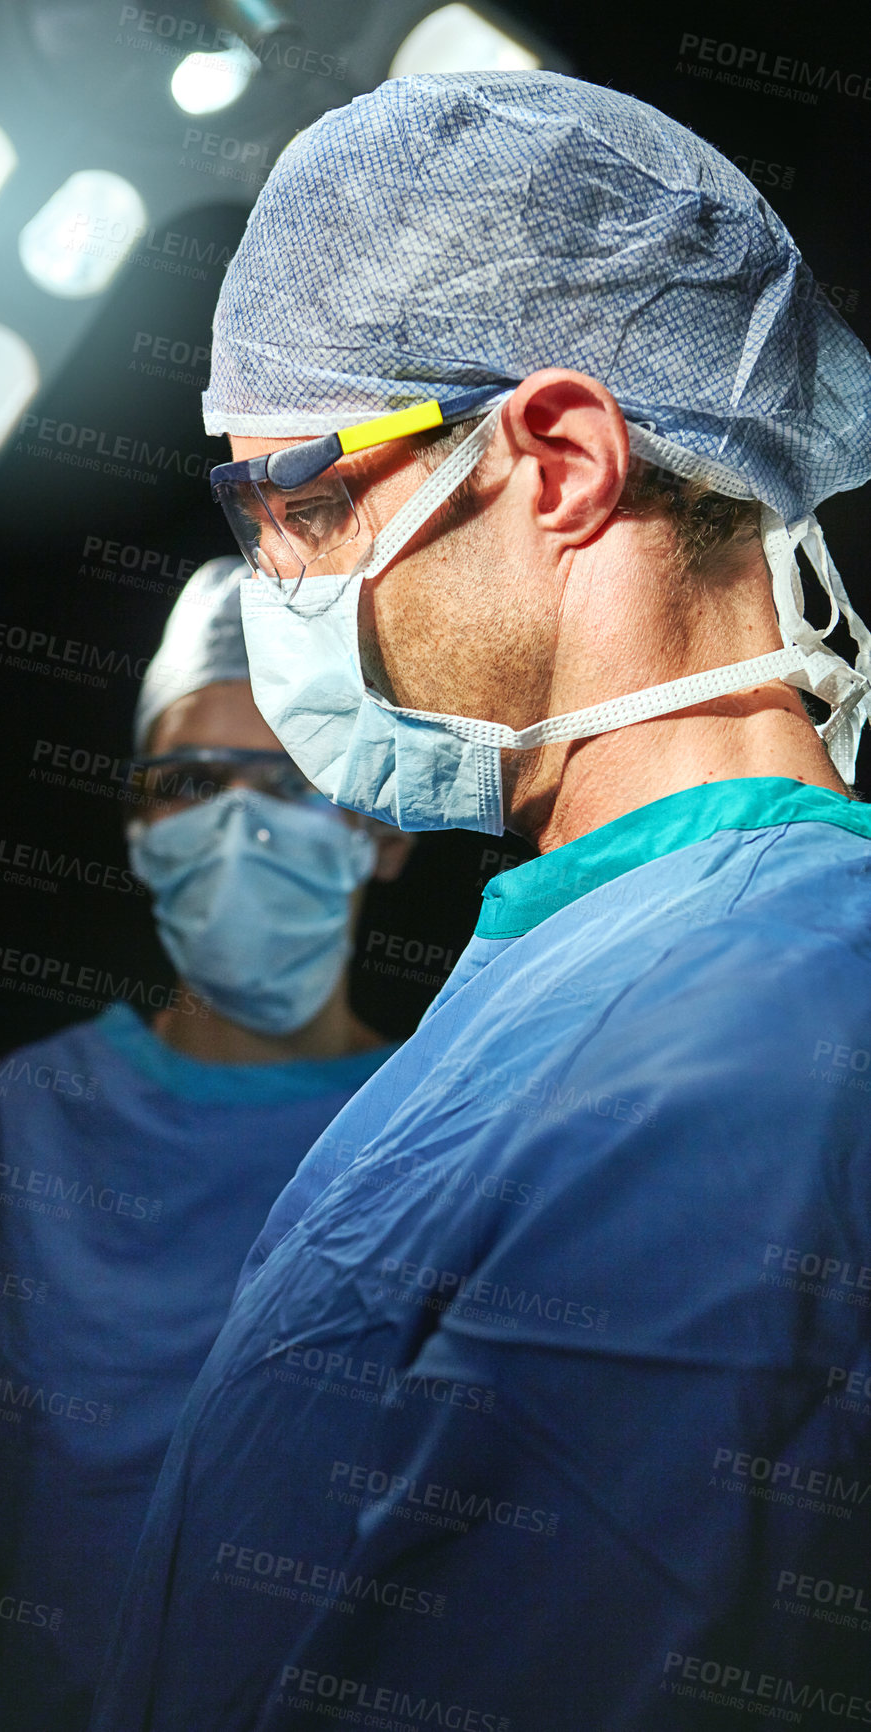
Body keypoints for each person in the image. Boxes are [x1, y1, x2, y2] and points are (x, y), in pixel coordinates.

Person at [91, 73, 871, 1732]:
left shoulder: (768, 1002)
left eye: (305, 503)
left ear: (562, 460)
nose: (280, 589)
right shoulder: (596, 962)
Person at [0, 559, 409, 1732]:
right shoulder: (25, 1126)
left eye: (291, 778)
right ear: (140, 825)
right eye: (190, 779)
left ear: (382, 825)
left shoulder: (432, 1133)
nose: (237, 823)